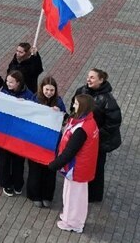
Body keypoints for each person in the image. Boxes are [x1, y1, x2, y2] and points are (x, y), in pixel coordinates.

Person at [48, 94, 100, 234]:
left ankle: (72, 223)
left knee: (73, 197)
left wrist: (54, 165)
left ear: (83, 106)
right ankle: (70, 218)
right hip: (80, 167)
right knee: (75, 195)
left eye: (76, 104)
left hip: (76, 168)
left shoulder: (82, 129)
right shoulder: (88, 121)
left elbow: (70, 152)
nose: (73, 106)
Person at [72, 68, 122, 203]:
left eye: (92, 77)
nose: (88, 79)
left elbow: (114, 123)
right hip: (83, 137)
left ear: (101, 80)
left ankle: (93, 196)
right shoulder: (82, 91)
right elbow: (74, 108)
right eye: (88, 76)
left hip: (99, 141)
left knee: (97, 168)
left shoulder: (108, 100)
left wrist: (96, 134)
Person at [27, 76, 67, 208]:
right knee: (35, 170)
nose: (49, 92)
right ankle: (35, 195)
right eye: (47, 89)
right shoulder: (35, 98)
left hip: (52, 143)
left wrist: (60, 113)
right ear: (41, 88)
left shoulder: (59, 102)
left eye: (51, 90)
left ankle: (47, 195)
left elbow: (65, 119)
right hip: (37, 142)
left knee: (49, 170)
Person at [0, 70, 36, 196]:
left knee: (18, 161)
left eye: (11, 82)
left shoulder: (29, 95)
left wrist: (25, 105)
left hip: (20, 134)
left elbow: (33, 111)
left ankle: (18, 183)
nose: (8, 84)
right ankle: (6, 183)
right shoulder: (3, 92)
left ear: (18, 83)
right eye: (7, 81)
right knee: (4, 160)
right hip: (5, 132)